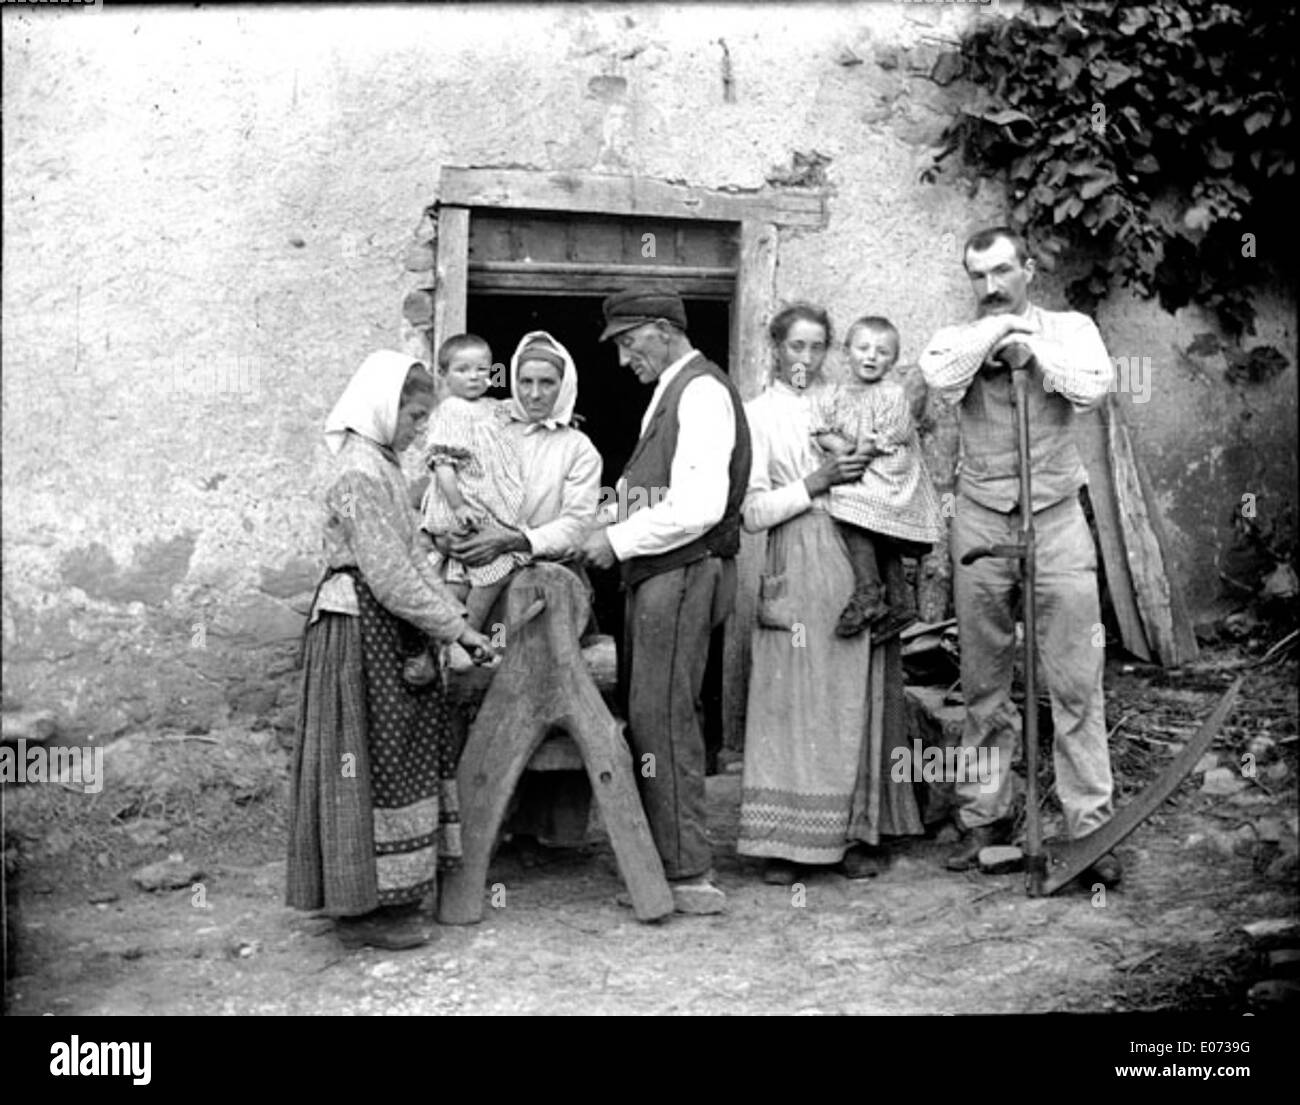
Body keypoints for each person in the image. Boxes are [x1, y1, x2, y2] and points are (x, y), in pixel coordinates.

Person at [919, 226, 1121, 886]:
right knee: (983, 681)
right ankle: (985, 817)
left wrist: (1031, 353)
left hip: (1057, 516)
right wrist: (993, 334)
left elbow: (1094, 385)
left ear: (1029, 267)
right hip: (981, 518)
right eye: (977, 276)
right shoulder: (958, 335)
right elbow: (940, 377)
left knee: (1074, 678)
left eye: (1003, 271)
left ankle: (1090, 827)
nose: (990, 286)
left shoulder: (1071, 327)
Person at [286, 351, 495, 951]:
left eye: (426, 418)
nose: (420, 430)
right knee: (364, 762)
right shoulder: (357, 472)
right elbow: (389, 574)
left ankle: (384, 895)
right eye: (415, 415)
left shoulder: (380, 465)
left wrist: (459, 624)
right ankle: (361, 905)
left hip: (385, 625)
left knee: (389, 757)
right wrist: (454, 629)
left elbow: (409, 563)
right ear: (385, 407)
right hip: (357, 634)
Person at [738, 304, 926, 886]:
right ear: (774, 347)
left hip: (856, 553)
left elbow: (896, 458)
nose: (807, 359)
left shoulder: (847, 399)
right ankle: (784, 843)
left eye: (818, 346)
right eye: (796, 346)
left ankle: (856, 835)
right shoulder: (756, 415)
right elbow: (749, 512)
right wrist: (813, 483)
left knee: (858, 697)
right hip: (795, 553)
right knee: (791, 700)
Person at [579, 287, 751, 915]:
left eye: (629, 343)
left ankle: (687, 872)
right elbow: (652, 491)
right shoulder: (672, 392)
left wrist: (616, 540)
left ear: (661, 329)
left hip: (682, 571)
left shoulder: (702, 391)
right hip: (659, 575)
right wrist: (600, 518)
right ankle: (663, 861)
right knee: (650, 712)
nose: (625, 360)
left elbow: (699, 507)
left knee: (666, 716)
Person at [449, 330, 604, 848]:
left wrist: (516, 539)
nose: (535, 393)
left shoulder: (577, 448)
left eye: (547, 382)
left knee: (550, 695)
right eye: (526, 381)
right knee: (477, 691)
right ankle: (476, 831)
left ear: (565, 385)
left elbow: (578, 525)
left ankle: (548, 828)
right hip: (485, 572)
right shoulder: (492, 425)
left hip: (548, 582)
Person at [810, 315, 942, 639]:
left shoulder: (892, 394)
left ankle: (868, 592)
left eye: (882, 352)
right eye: (863, 348)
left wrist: (855, 453)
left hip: (889, 475)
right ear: (846, 352)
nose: (871, 356)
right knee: (875, 525)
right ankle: (900, 603)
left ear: (893, 360)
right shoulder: (833, 393)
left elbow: (884, 439)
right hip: (864, 470)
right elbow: (819, 429)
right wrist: (836, 444)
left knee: (851, 506)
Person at [413, 333, 528, 674]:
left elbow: (521, 413)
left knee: (458, 579)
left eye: (482, 369)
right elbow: (444, 466)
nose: (475, 376)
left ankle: (440, 646)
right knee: (493, 568)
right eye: (463, 370)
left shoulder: (493, 408)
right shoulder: (451, 411)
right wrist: (458, 505)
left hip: (482, 503)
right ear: (444, 374)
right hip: (462, 504)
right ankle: (468, 638)